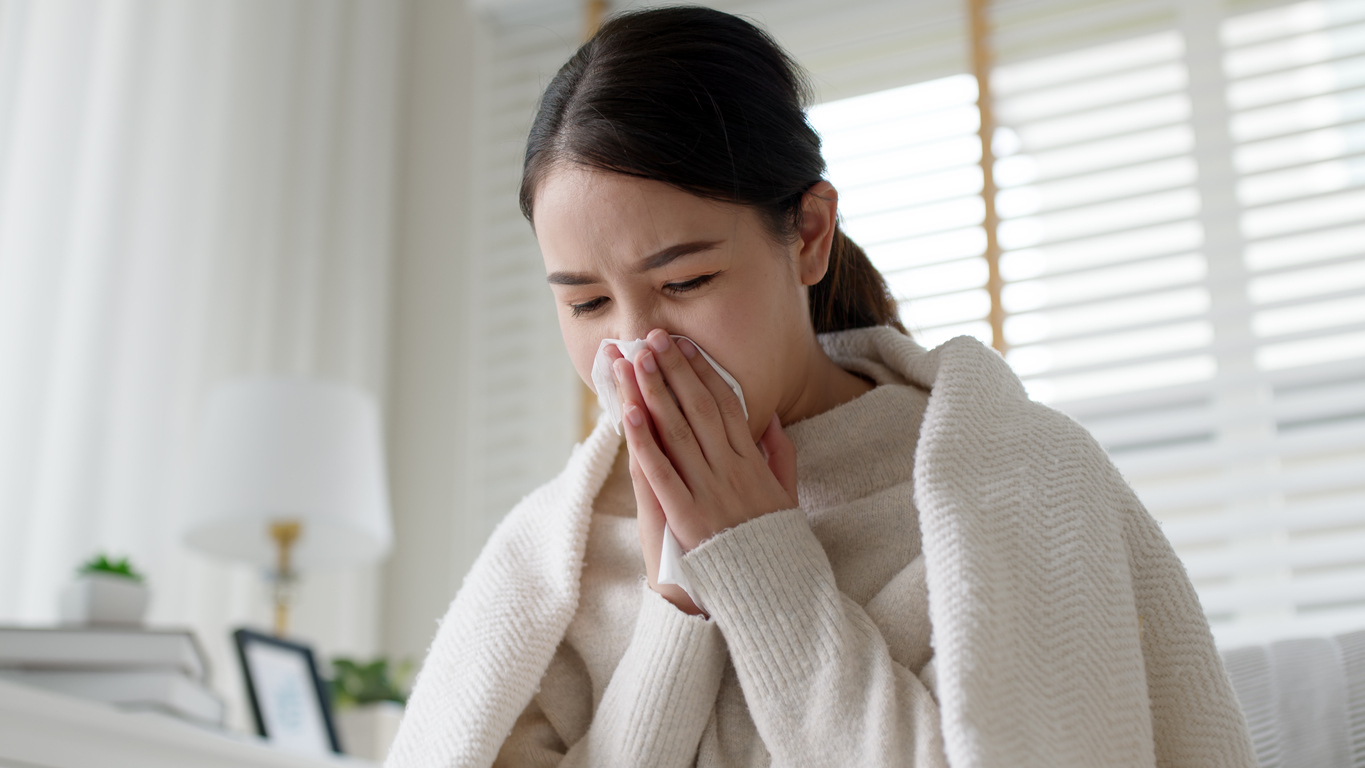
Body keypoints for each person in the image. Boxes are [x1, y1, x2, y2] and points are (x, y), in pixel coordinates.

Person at [387, 7, 1256, 768]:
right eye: (583, 301)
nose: (633, 349)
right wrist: (680, 603)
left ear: (807, 234)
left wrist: (760, 565)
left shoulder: (1016, 481)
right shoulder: (558, 558)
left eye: (684, 282)